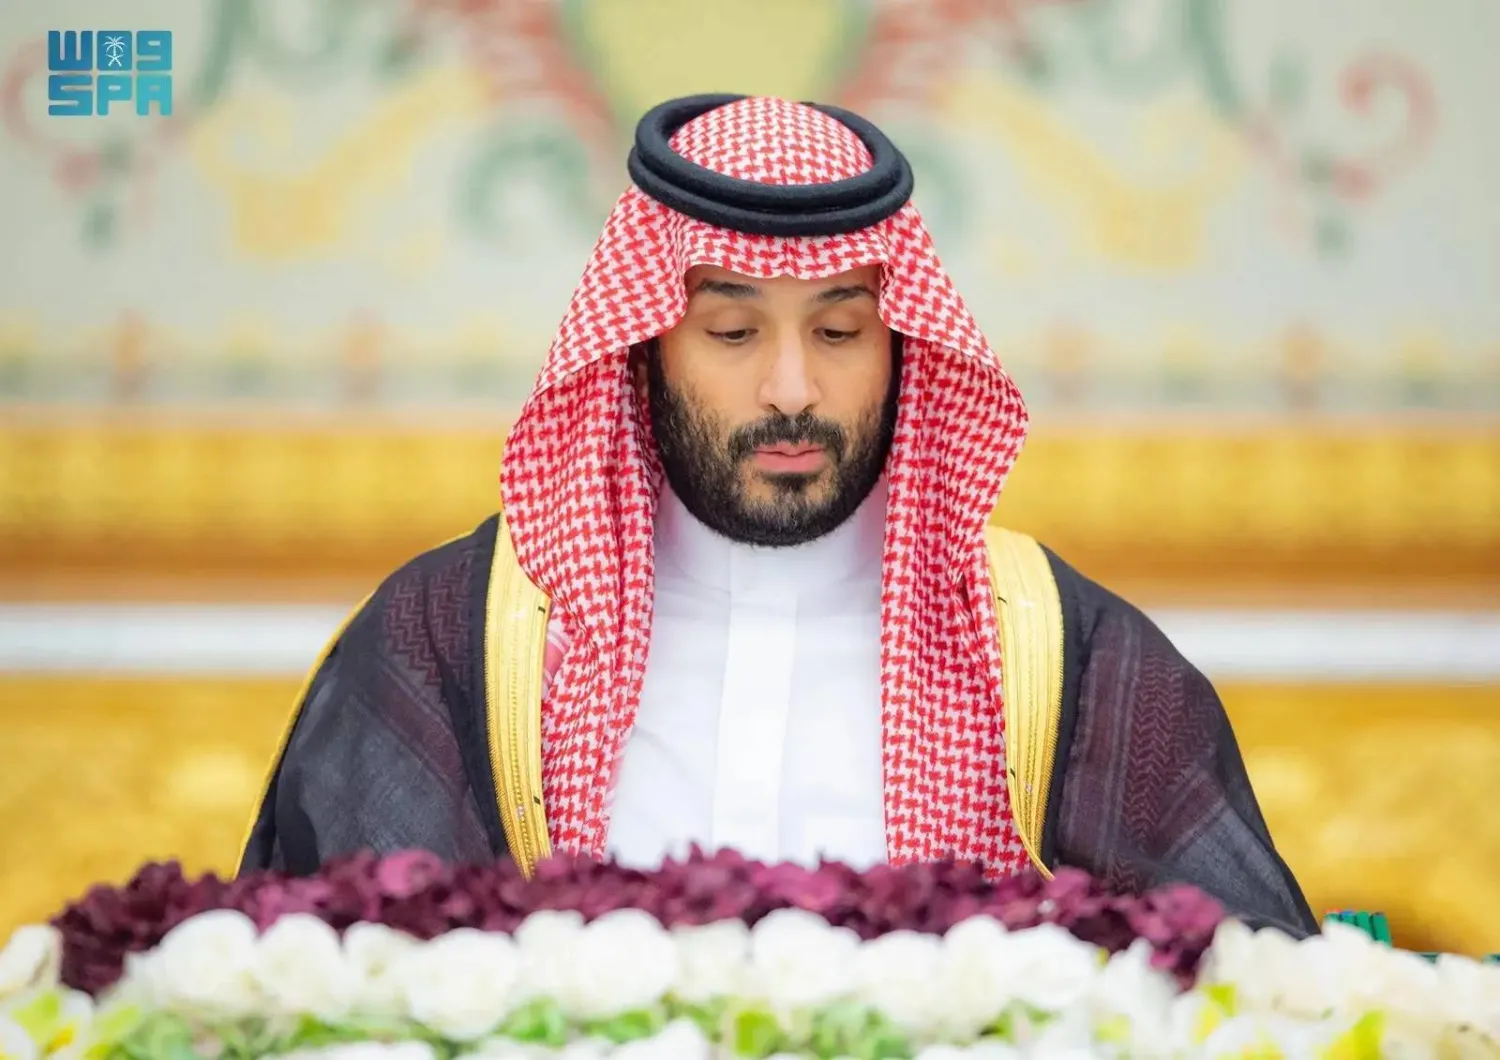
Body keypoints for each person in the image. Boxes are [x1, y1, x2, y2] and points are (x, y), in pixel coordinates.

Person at [238, 94, 1317, 937]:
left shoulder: (1065, 658)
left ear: (903, 351)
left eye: (841, 332)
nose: (793, 388)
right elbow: (317, 985)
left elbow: (1257, 997)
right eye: (734, 332)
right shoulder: (452, 642)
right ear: (645, 345)